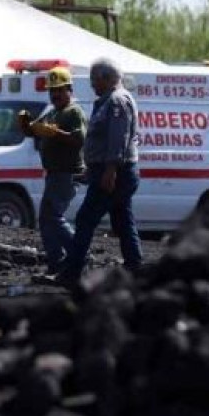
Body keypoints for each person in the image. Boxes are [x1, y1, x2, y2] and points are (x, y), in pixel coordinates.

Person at [47, 59, 142, 285]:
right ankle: (135, 268)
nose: (91, 84)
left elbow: (118, 139)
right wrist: (92, 170)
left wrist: (110, 170)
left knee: (85, 219)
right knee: (123, 220)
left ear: (106, 78)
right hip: (112, 171)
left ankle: (72, 273)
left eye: (94, 79)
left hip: (115, 173)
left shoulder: (117, 101)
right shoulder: (109, 100)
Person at [18, 67, 87, 273]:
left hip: (67, 173)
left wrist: (56, 133)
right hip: (54, 174)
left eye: (59, 90)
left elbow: (79, 139)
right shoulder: (53, 112)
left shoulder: (73, 112)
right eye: (52, 90)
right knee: (45, 220)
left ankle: (78, 254)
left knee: (53, 217)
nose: (55, 94)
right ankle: (56, 264)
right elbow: (34, 130)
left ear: (69, 90)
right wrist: (26, 125)